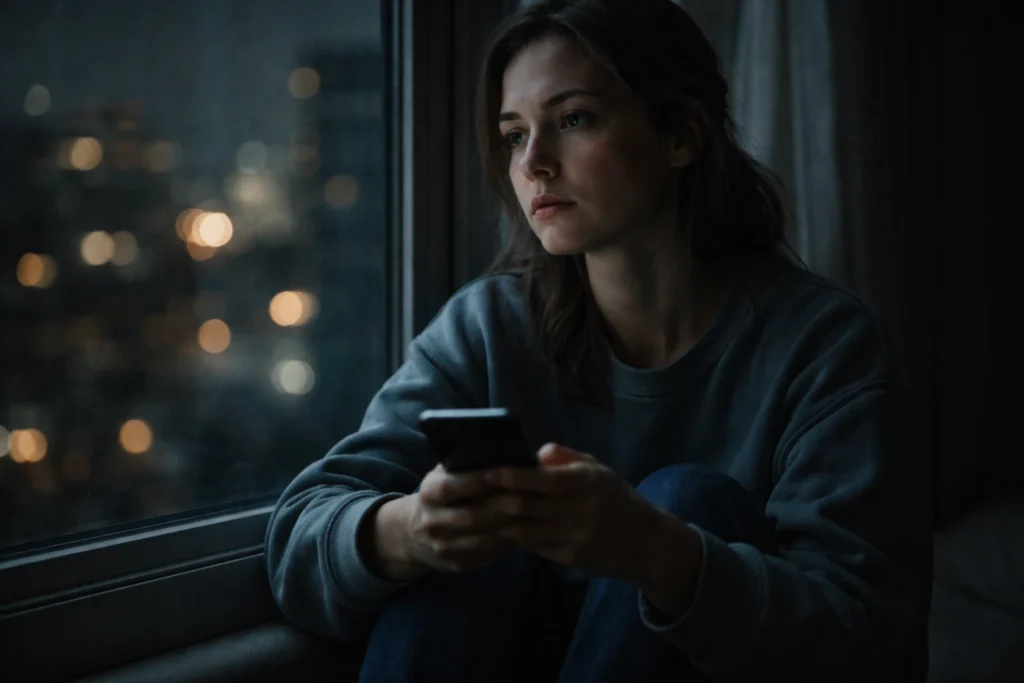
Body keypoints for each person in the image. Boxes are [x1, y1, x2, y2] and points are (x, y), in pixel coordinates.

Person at [264, 0, 933, 680]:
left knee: (687, 500)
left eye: (574, 120)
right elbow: (297, 535)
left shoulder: (825, 349)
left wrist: (660, 554)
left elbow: (875, 648)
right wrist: (415, 527)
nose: (535, 165)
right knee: (472, 531)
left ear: (681, 133)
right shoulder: (488, 328)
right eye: (514, 135)